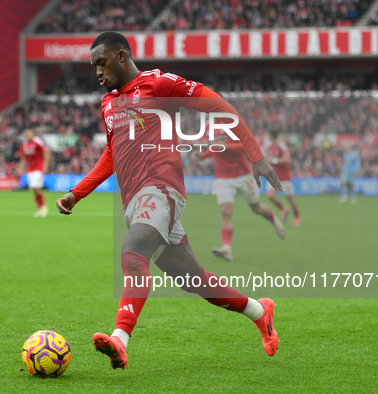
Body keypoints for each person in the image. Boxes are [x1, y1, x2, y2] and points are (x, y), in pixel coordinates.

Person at [56, 31, 282, 370]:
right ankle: (259, 311)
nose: (98, 73)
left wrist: (256, 155)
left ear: (121, 56)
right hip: (135, 200)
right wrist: (78, 192)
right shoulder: (109, 104)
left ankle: (120, 339)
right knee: (194, 279)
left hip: (161, 189)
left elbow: (218, 106)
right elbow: (112, 153)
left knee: (132, 253)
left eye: (102, 63)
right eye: (94, 67)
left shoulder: (159, 84)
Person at [199, 130, 286, 262]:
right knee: (225, 211)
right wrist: (203, 156)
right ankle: (227, 248)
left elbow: (245, 144)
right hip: (223, 177)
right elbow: (215, 147)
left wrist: (227, 146)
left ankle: (274, 220)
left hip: (242, 175)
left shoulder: (231, 123)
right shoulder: (207, 127)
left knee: (256, 207)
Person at [265, 130, 301, 227]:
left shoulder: (281, 145)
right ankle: (284, 209)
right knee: (269, 196)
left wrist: (273, 160)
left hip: (285, 177)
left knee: (290, 199)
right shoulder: (269, 147)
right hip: (275, 176)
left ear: (272, 135)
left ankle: (297, 217)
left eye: (268, 134)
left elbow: (287, 159)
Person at [17, 129, 50, 217]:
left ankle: (44, 207)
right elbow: (24, 158)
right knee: (34, 189)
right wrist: (21, 168)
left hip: (38, 168)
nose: (28, 136)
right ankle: (40, 209)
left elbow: (45, 153)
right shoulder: (24, 145)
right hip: (30, 170)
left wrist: (45, 166)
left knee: (36, 187)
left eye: (30, 134)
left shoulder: (38, 142)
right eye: (27, 135)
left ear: (32, 134)